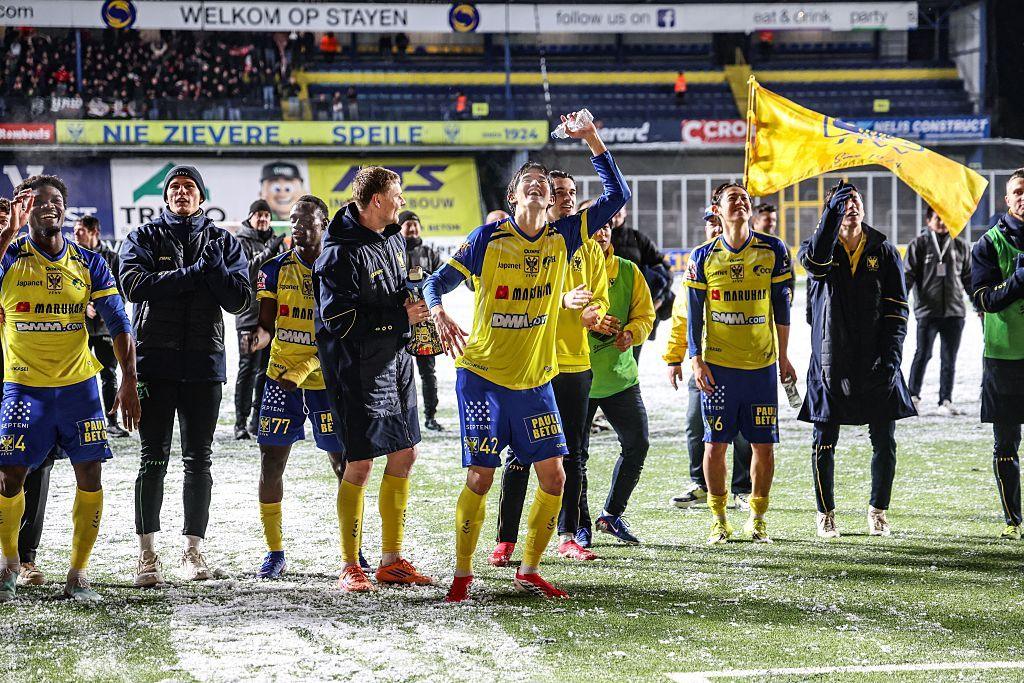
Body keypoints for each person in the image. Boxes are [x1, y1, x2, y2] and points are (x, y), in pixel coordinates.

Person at [425, 110, 629, 601]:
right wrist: (438, 313)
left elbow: (617, 195)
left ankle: (529, 568)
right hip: (483, 377)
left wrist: (591, 138)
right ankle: (461, 574)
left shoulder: (565, 235)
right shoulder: (487, 239)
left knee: (555, 475)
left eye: (543, 182)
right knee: (482, 475)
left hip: (535, 381)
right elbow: (435, 282)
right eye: (528, 182)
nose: (537, 185)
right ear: (513, 197)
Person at [0, 178, 140, 602]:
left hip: (79, 388)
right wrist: (7, 234)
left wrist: (129, 379)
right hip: (23, 387)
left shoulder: (89, 261)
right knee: (9, 477)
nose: (50, 206)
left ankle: (78, 573)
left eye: (57, 200)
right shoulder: (11, 256)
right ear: (26, 210)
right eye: (40, 201)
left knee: (91, 474)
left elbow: (118, 320)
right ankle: (9, 565)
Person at [120, 165, 253, 586]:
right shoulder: (143, 237)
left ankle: (193, 551)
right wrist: (195, 275)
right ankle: (147, 555)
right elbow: (134, 286)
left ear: (201, 196)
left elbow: (240, 301)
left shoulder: (223, 242)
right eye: (174, 187)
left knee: (199, 459)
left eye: (189, 187)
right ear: (165, 196)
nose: (181, 192)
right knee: (152, 458)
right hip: (155, 364)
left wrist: (217, 273)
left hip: (204, 364)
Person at [313, 167, 432, 593]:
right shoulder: (338, 253)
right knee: (360, 463)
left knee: (405, 453)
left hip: (395, 363)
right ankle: (350, 564)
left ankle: (391, 560)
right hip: (357, 371)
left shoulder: (393, 237)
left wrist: (413, 307)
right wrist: (399, 317)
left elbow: (396, 293)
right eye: (397, 195)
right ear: (377, 200)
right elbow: (339, 320)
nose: (403, 202)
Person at [488, 171, 615, 567]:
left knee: (572, 454)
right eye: (559, 192)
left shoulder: (588, 249)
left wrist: (595, 313)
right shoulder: (532, 243)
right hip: (531, 363)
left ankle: (568, 535)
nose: (567, 198)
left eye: (572, 192)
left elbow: (601, 299)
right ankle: (505, 540)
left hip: (574, 363)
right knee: (520, 453)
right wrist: (561, 300)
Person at [798, 182, 916, 539]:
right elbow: (815, 265)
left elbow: (897, 310)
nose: (851, 206)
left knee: (885, 441)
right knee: (823, 442)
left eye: (855, 201)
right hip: (830, 361)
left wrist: (891, 358)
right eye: (843, 202)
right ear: (831, 210)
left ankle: (878, 511)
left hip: (876, 360)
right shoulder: (817, 247)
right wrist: (830, 215)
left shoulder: (884, 250)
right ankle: (825, 513)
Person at [248, 195, 352, 578]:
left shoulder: (339, 270)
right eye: (293, 220)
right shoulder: (274, 269)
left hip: (326, 382)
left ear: (323, 224)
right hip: (282, 379)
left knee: (343, 465)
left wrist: (306, 366)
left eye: (306, 220)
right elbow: (266, 325)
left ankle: (352, 552)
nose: (297, 226)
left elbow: (338, 336)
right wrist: (257, 338)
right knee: (271, 462)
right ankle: (274, 551)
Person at [686, 182, 795, 545]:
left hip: (760, 368)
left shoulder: (773, 249)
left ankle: (757, 518)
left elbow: (782, 309)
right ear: (717, 209)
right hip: (719, 368)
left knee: (764, 446)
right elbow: (693, 316)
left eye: (745, 198)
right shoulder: (702, 256)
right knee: (714, 445)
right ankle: (718, 519)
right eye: (732, 198)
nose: (741, 202)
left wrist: (783, 356)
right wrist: (695, 360)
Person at [668, 208, 753, 510]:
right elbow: (682, 315)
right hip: (702, 363)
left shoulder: (749, 258)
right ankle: (701, 484)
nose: (715, 229)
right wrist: (674, 357)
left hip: (741, 360)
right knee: (696, 424)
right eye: (710, 224)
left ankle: (742, 489)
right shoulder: (698, 260)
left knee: (742, 430)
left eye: (719, 223)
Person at [577, 218, 655, 545]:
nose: (602, 231)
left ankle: (611, 514)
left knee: (638, 444)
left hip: (620, 378)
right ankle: (578, 524)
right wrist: (586, 322)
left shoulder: (628, 270)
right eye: (595, 225)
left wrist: (631, 333)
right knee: (575, 456)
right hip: (577, 378)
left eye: (607, 225)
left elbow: (645, 316)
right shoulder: (568, 269)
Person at [971, 169, 1024, 540]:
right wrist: (1018, 280)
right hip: (1004, 358)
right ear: (1007, 199)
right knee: (1006, 445)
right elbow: (984, 300)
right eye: (1018, 191)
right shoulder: (988, 244)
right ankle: (1013, 520)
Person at [904, 206, 973, 415]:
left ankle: (945, 399)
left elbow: (969, 279)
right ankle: (912, 396)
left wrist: (979, 304)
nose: (942, 222)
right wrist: (899, 302)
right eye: (937, 218)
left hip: (955, 312)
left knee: (949, 359)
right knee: (922, 354)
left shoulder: (961, 245)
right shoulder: (919, 244)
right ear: (928, 221)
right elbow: (907, 276)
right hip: (928, 312)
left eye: (945, 218)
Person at [72, 215, 130, 439]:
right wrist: (84, 306)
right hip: (80, 328)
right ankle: (81, 423)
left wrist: (107, 310)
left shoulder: (112, 258)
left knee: (108, 374)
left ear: (94, 232)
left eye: (80, 230)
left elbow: (122, 292)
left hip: (106, 329)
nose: (76, 234)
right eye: (75, 230)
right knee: (79, 376)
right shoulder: (70, 257)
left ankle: (112, 422)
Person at [233, 199, 286, 440]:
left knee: (266, 370)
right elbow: (246, 273)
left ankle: (257, 420)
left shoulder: (276, 242)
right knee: (248, 368)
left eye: (266, 215)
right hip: (248, 318)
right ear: (250, 217)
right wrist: (269, 252)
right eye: (259, 215)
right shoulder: (240, 242)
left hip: (271, 319)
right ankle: (240, 423)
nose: (263, 219)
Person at [399, 210, 445, 432]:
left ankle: (430, 416)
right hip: (400, 322)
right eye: (407, 224)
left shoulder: (430, 253)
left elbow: (443, 281)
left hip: (426, 325)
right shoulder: (394, 251)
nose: (412, 228)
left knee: (428, 372)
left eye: (415, 224)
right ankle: (402, 419)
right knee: (399, 374)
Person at [609, 205, 672, 359]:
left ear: (625, 212)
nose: (616, 213)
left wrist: (659, 299)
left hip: (634, 310)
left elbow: (665, 270)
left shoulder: (638, 238)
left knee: (631, 359)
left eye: (619, 209)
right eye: (613, 208)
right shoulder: (598, 237)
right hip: (607, 310)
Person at [752, 203, 796, 295]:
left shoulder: (782, 247)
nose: (771, 223)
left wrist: (787, 299)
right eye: (767, 220)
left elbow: (789, 279)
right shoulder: (743, 243)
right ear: (755, 221)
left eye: (774, 220)